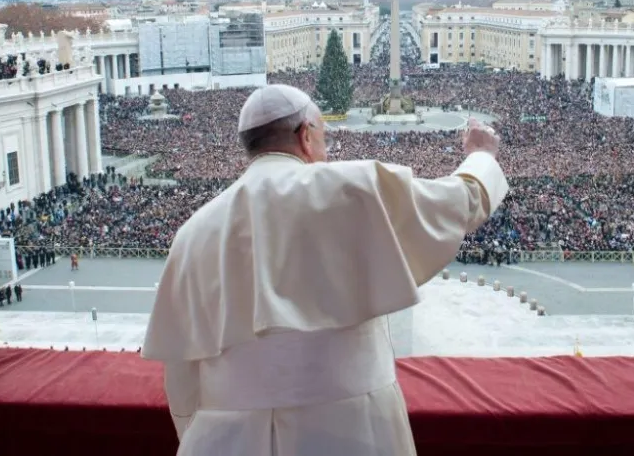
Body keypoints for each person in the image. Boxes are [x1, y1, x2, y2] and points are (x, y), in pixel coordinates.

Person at [142, 84, 508, 456]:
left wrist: (200, 432)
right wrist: (481, 156)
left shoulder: (193, 232)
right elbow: (463, 202)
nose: (325, 149)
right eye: (324, 136)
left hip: (225, 438)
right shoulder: (352, 186)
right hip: (352, 430)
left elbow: (182, 372)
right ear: (305, 135)